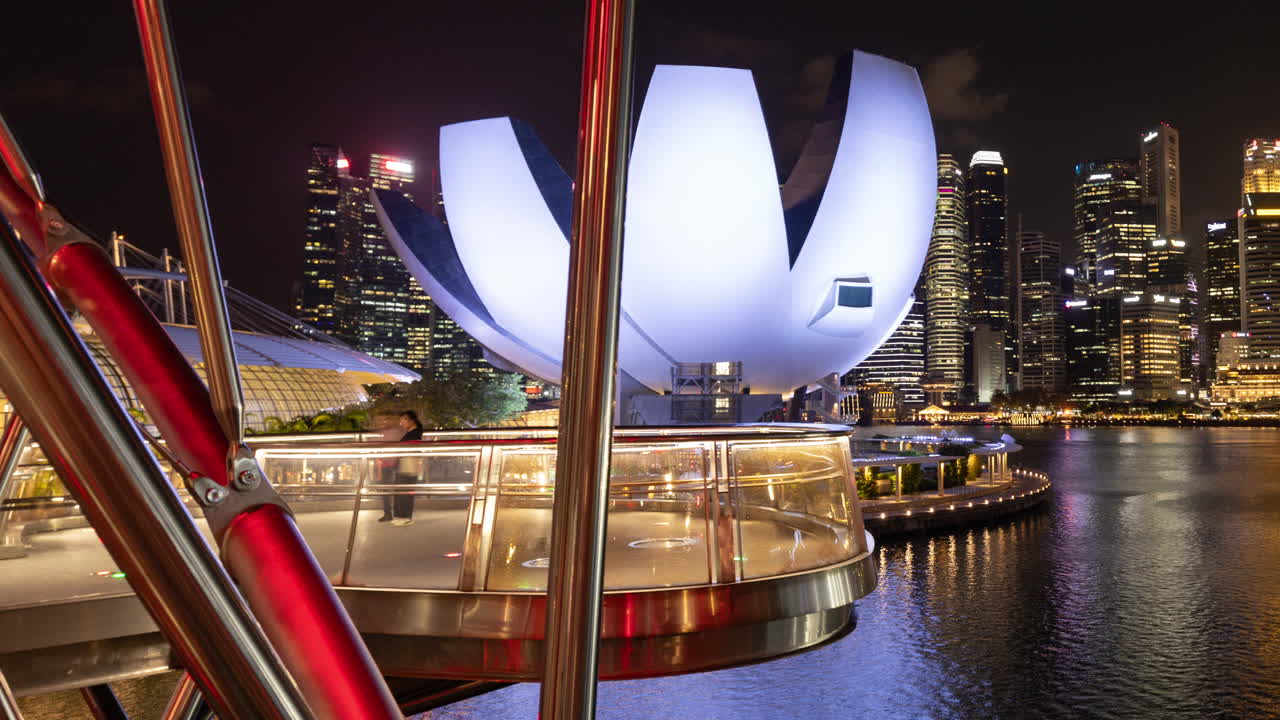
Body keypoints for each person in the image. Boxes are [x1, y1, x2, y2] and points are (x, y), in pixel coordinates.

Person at [390, 410, 424, 526]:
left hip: (408, 466)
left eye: (403, 420)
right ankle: (400, 516)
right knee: (401, 492)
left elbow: (413, 449)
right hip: (404, 465)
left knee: (405, 493)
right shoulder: (412, 433)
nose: (402, 423)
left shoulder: (415, 433)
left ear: (411, 420)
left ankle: (405, 517)